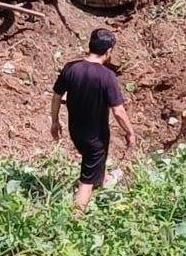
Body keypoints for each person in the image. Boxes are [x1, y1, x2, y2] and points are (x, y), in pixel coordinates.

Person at [50, 28, 135, 210]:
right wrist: (130, 132)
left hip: (77, 132)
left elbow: (57, 96)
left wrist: (55, 121)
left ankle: (104, 181)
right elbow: (118, 111)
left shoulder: (71, 68)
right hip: (95, 138)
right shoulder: (107, 76)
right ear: (109, 51)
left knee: (96, 159)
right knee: (86, 181)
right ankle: (76, 217)